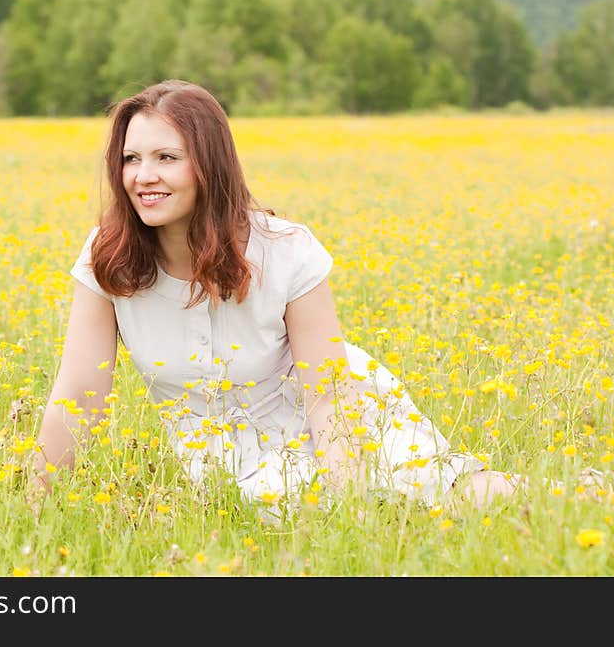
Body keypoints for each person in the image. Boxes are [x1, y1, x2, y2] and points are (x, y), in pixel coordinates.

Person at [33, 79, 521, 515]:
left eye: (167, 158)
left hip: (338, 423)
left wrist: (351, 504)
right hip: (227, 469)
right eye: (131, 159)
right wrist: (35, 506)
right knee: (293, 515)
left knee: (446, 498)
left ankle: (570, 493)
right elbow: (78, 397)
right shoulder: (108, 258)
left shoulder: (286, 250)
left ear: (209, 165)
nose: (143, 176)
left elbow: (329, 395)